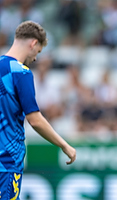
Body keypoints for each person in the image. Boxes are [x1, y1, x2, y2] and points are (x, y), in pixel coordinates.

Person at [0, 21, 76, 199]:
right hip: (7, 161)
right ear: (33, 43)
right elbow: (34, 119)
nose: (35, 58)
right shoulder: (21, 72)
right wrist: (64, 145)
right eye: (38, 52)